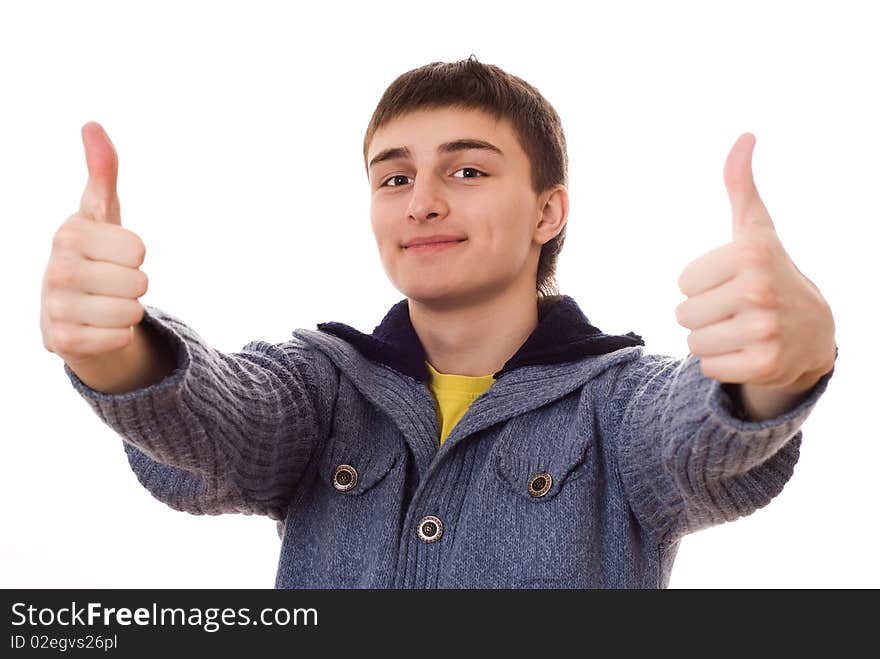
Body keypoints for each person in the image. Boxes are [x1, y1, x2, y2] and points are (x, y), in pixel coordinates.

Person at [41, 55, 837, 588]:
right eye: (394, 177)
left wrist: (780, 368)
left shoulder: (617, 404)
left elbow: (694, 430)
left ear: (547, 211)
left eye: (466, 169)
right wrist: (117, 350)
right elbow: (223, 416)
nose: (421, 199)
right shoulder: (321, 383)